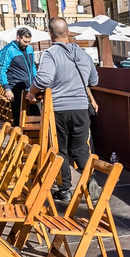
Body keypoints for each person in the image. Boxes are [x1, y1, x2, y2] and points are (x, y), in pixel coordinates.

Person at [32, 16, 99, 197]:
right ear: (68, 32)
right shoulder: (84, 55)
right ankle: (91, 180)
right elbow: (94, 80)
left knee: (60, 149)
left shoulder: (51, 54)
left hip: (59, 109)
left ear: (49, 34)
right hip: (81, 109)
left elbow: (44, 79)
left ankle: (64, 190)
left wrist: (32, 92)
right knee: (80, 149)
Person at [0, 26, 37, 123]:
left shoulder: (29, 49)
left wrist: (36, 80)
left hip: (31, 87)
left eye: (29, 42)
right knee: (19, 118)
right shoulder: (8, 50)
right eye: (24, 42)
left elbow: (32, 66)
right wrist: (7, 88)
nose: (27, 44)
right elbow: (1, 70)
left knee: (36, 116)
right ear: (18, 38)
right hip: (16, 89)